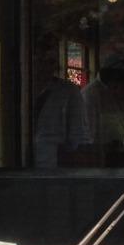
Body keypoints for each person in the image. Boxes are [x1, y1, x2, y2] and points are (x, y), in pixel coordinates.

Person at [32, 38, 90, 167]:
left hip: (54, 168)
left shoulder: (68, 92)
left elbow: (79, 136)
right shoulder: (15, 90)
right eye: (39, 60)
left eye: (50, 61)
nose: (44, 66)